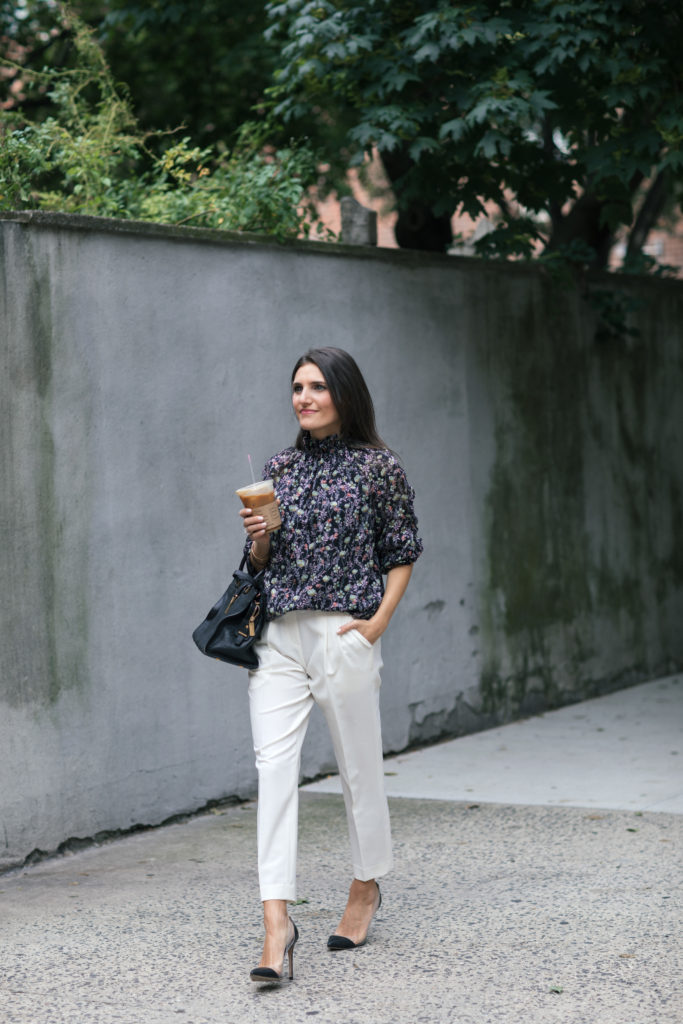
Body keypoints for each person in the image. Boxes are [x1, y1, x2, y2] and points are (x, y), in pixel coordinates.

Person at [239, 347, 422, 983]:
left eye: (317, 386)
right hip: (280, 638)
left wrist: (377, 624)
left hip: (344, 631)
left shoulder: (378, 468)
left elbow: (401, 550)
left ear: (344, 393)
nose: (304, 397)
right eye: (297, 387)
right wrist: (260, 535)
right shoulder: (278, 468)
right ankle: (275, 923)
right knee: (274, 772)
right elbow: (262, 564)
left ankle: (366, 885)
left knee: (357, 768)